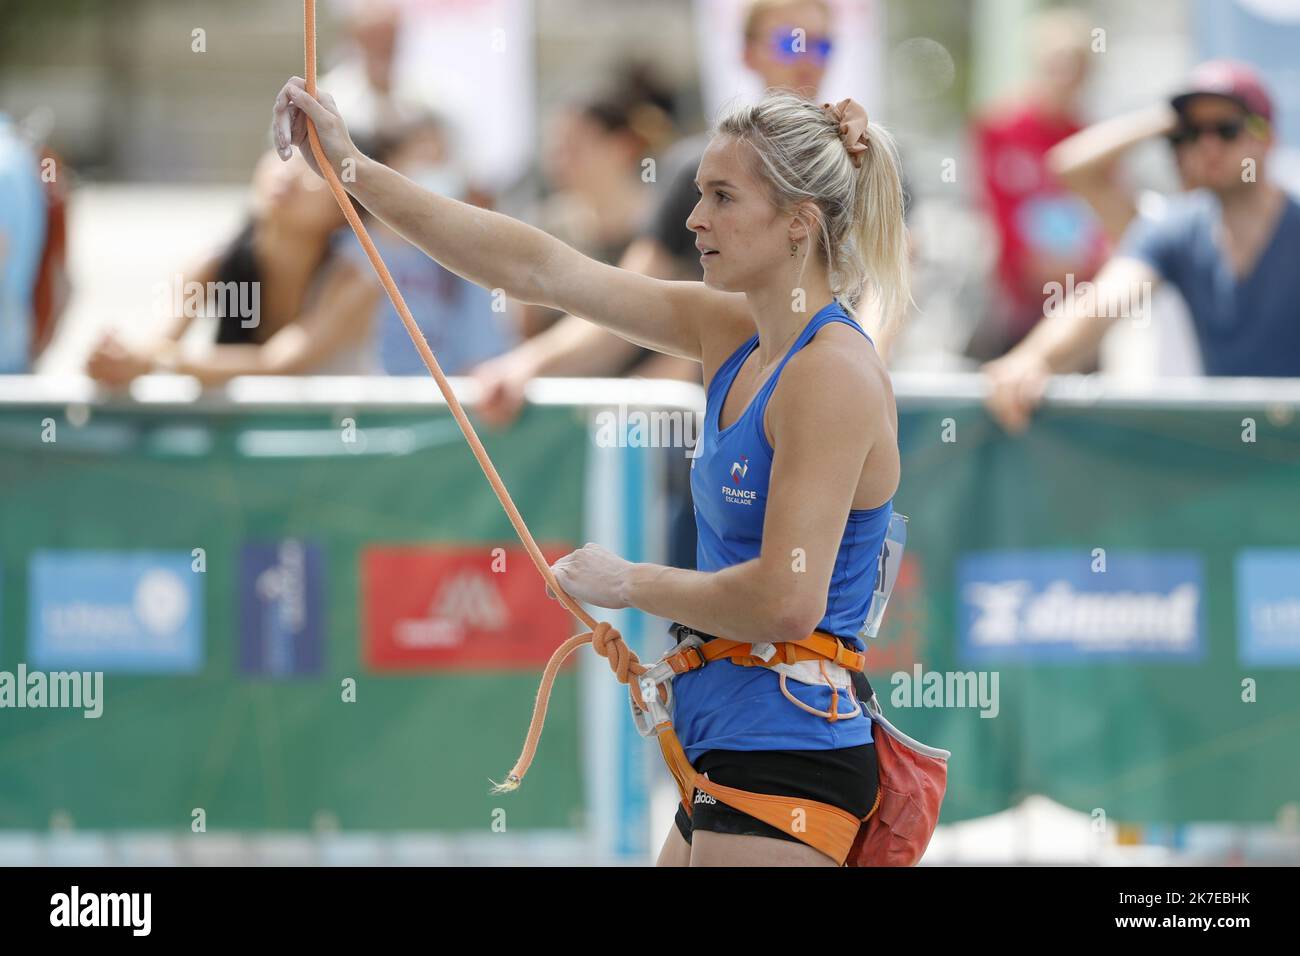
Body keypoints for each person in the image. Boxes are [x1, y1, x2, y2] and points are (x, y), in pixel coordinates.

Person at [272, 77, 907, 866]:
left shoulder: (830, 372)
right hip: (728, 741)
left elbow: (784, 599)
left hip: (788, 750)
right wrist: (353, 168)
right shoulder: (732, 329)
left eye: (721, 197)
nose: (693, 217)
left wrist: (628, 581)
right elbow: (540, 269)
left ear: (798, 226)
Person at [984, 60, 1300, 432]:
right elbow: (1103, 300)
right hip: (1226, 449)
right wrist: (1034, 359)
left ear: (1266, 137)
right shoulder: (1176, 229)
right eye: (1191, 133)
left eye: (1226, 130)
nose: (1209, 146)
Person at [86, 149, 381, 387]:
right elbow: (159, 340)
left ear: (348, 214)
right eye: (285, 151)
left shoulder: (353, 283)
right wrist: (119, 358)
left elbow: (276, 364)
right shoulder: (213, 264)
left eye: (315, 168)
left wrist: (157, 360)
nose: (290, 171)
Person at [968, 8, 1108, 361]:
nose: (1062, 77)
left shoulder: (1092, 140)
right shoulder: (999, 129)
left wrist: (1082, 266)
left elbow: (1104, 218)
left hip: (1076, 305)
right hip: (1014, 304)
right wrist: (1028, 265)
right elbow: (995, 209)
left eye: (1073, 66)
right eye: (1054, 64)